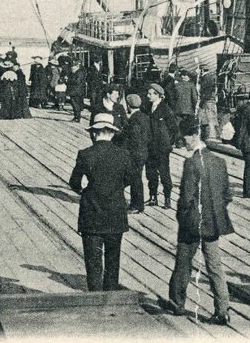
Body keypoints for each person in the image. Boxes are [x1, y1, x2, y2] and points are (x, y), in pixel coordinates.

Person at [164, 115, 234, 325]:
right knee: (215, 266)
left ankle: (177, 304)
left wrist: (182, 216)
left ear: (194, 136)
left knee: (183, 263)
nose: (182, 142)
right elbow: (227, 195)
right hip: (212, 222)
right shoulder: (219, 162)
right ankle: (222, 311)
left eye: (184, 138)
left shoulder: (191, 163)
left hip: (192, 223)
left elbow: (186, 198)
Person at [68, 112, 136, 291]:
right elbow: (131, 179)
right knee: (113, 259)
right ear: (112, 133)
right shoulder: (123, 154)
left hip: (91, 213)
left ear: (94, 133)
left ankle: (94, 295)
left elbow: (74, 182)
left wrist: (85, 190)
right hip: (115, 212)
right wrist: (116, 186)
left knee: (93, 261)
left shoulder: (85, 154)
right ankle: (111, 294)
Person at [145, 83, 178, 209]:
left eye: (150, 94)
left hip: (162, 148)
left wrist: (168, 142)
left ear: (158, 95)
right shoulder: (147, 107)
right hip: (150, 146)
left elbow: (174, 129)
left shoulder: (166, 109)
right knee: (151, 173)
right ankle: (153, 197)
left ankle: (167, 198)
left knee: (164, 173)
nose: (148, 96)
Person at [122, 93, 151, 214]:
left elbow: (133, 138)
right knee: (136, 178)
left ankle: (136, 205)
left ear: (128, 105)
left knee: (134, 179)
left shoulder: (134, 120)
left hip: (135, 154)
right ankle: (136, 204)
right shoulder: (144, 117)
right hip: (143, 152)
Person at [198, 69, 219, 140]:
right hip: (210, 99)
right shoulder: (211, 77)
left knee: (208, 117)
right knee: (211, 117)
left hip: (206, 100)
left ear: (202, 70)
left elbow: (203, 89)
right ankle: (213, 134)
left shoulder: (205, 78)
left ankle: (210, 134)